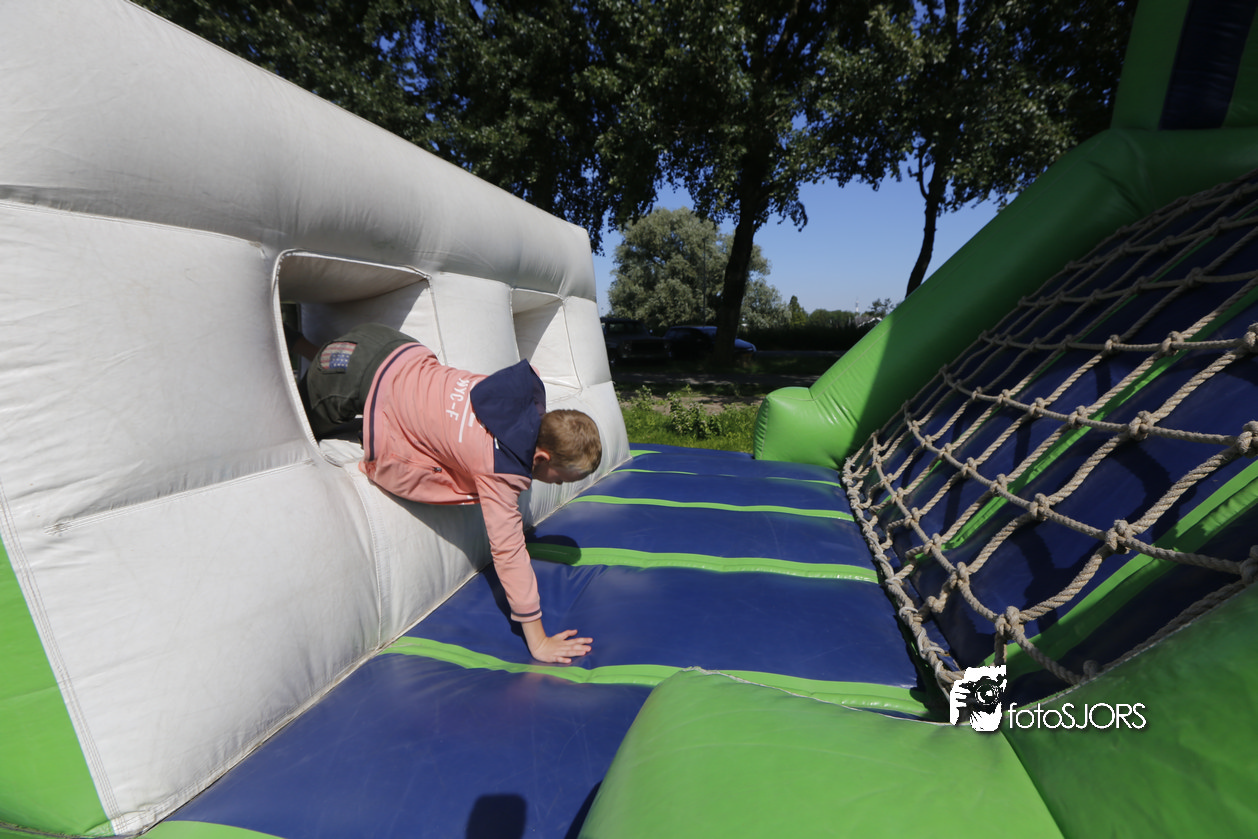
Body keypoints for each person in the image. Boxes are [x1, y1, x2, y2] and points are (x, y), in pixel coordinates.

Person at [291, 322, 600, 664]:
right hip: (354, 377)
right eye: (560, 480)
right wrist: (538, 641)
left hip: (393, 345)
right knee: (294, 416)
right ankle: (303, 352)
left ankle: (301, 342)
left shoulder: (520, 399)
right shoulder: (499, 468)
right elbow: (509, 553)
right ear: (541, 458)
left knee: (340, 357)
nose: (558, 485)